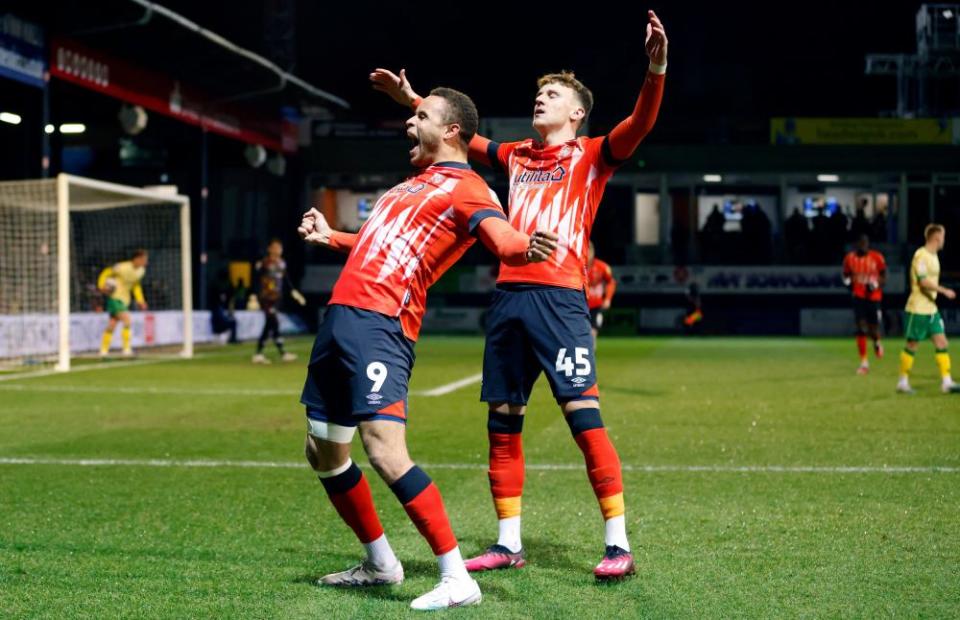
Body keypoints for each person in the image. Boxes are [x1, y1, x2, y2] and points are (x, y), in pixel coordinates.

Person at [370, 8, 667, 581]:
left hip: (560, 301)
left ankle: (617, 543)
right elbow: (452, 134)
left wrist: (656, 64)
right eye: (540, 94)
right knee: (503, 422)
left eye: (553, 95)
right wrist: (413, 100)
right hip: (509, 300)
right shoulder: (515, 156)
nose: (542, 100)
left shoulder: (594, 154)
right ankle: (508, 542)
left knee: (584, 418)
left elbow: (642, 122)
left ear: (577, 113)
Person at [297, 85, 558, 610]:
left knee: (384, 450)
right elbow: (376, 241)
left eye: (420, 116)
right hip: (340, 319)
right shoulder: (408, 187)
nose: (408, 124)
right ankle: (380, 563)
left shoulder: (469, 189)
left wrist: (522, 247)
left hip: (381, 322)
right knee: (322, 452)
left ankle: (457, 576)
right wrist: (332, 237)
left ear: (452, 130)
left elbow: (501, 235)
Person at [897, 224, 960, 394]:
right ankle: (902, 382)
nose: (944, 240)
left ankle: (946, 383)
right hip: (918, 308)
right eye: (943, 236)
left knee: (942, 342)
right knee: (912, 345)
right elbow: (923, 282)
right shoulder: (921, 255)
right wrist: (944, 290)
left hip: (931, 309)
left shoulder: (934, 256)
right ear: (936, 237)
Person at [251, 239, 305, 364]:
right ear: (269, 249)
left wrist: (293, 291)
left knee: (271, 323)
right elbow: (256, 280)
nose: (278, 250)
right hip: (266, 298)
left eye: (279, 248)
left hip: (277, 298)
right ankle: (275, 353)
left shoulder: (282, 263)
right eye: (275, 247)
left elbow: (286, 279)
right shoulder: (264, 263)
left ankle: (265, 353)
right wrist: (253, 295)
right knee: (272, 322)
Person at [842, 234, 886, 374]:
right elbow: (845, 275)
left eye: (864, 243)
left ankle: (877, 342)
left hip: (874, 297)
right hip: (858, 296)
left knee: (873, 329)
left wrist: (876, 284)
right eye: (860, 243)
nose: (862, 245)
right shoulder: (850, 258)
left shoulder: (877, 257)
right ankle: (864, 363)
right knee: (861, 327)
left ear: (868, 244)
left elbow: (884, 277)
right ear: (856, 245)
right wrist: (847, 282)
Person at [97, 249, 148, 357]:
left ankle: (103, 350)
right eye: (143, 259)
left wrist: (140, 300)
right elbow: (107, 271)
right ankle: (126, 350)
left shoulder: (141, 271)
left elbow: (136, 286)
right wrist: (101, 285)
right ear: (136, 259)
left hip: (125, 300)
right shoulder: (122, 267)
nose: (145, 262)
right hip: (115, 297)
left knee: (112, 324)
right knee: (126, 319)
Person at [586, 242, 616, 345]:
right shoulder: (576, 267)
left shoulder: (602, 267)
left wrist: (607, 298)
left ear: (593, 251)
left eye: (589, 250)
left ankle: (590, 353)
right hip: (580, 304)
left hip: (595, 306)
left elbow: (611, 282)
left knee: (592, 332)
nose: (587, 253)